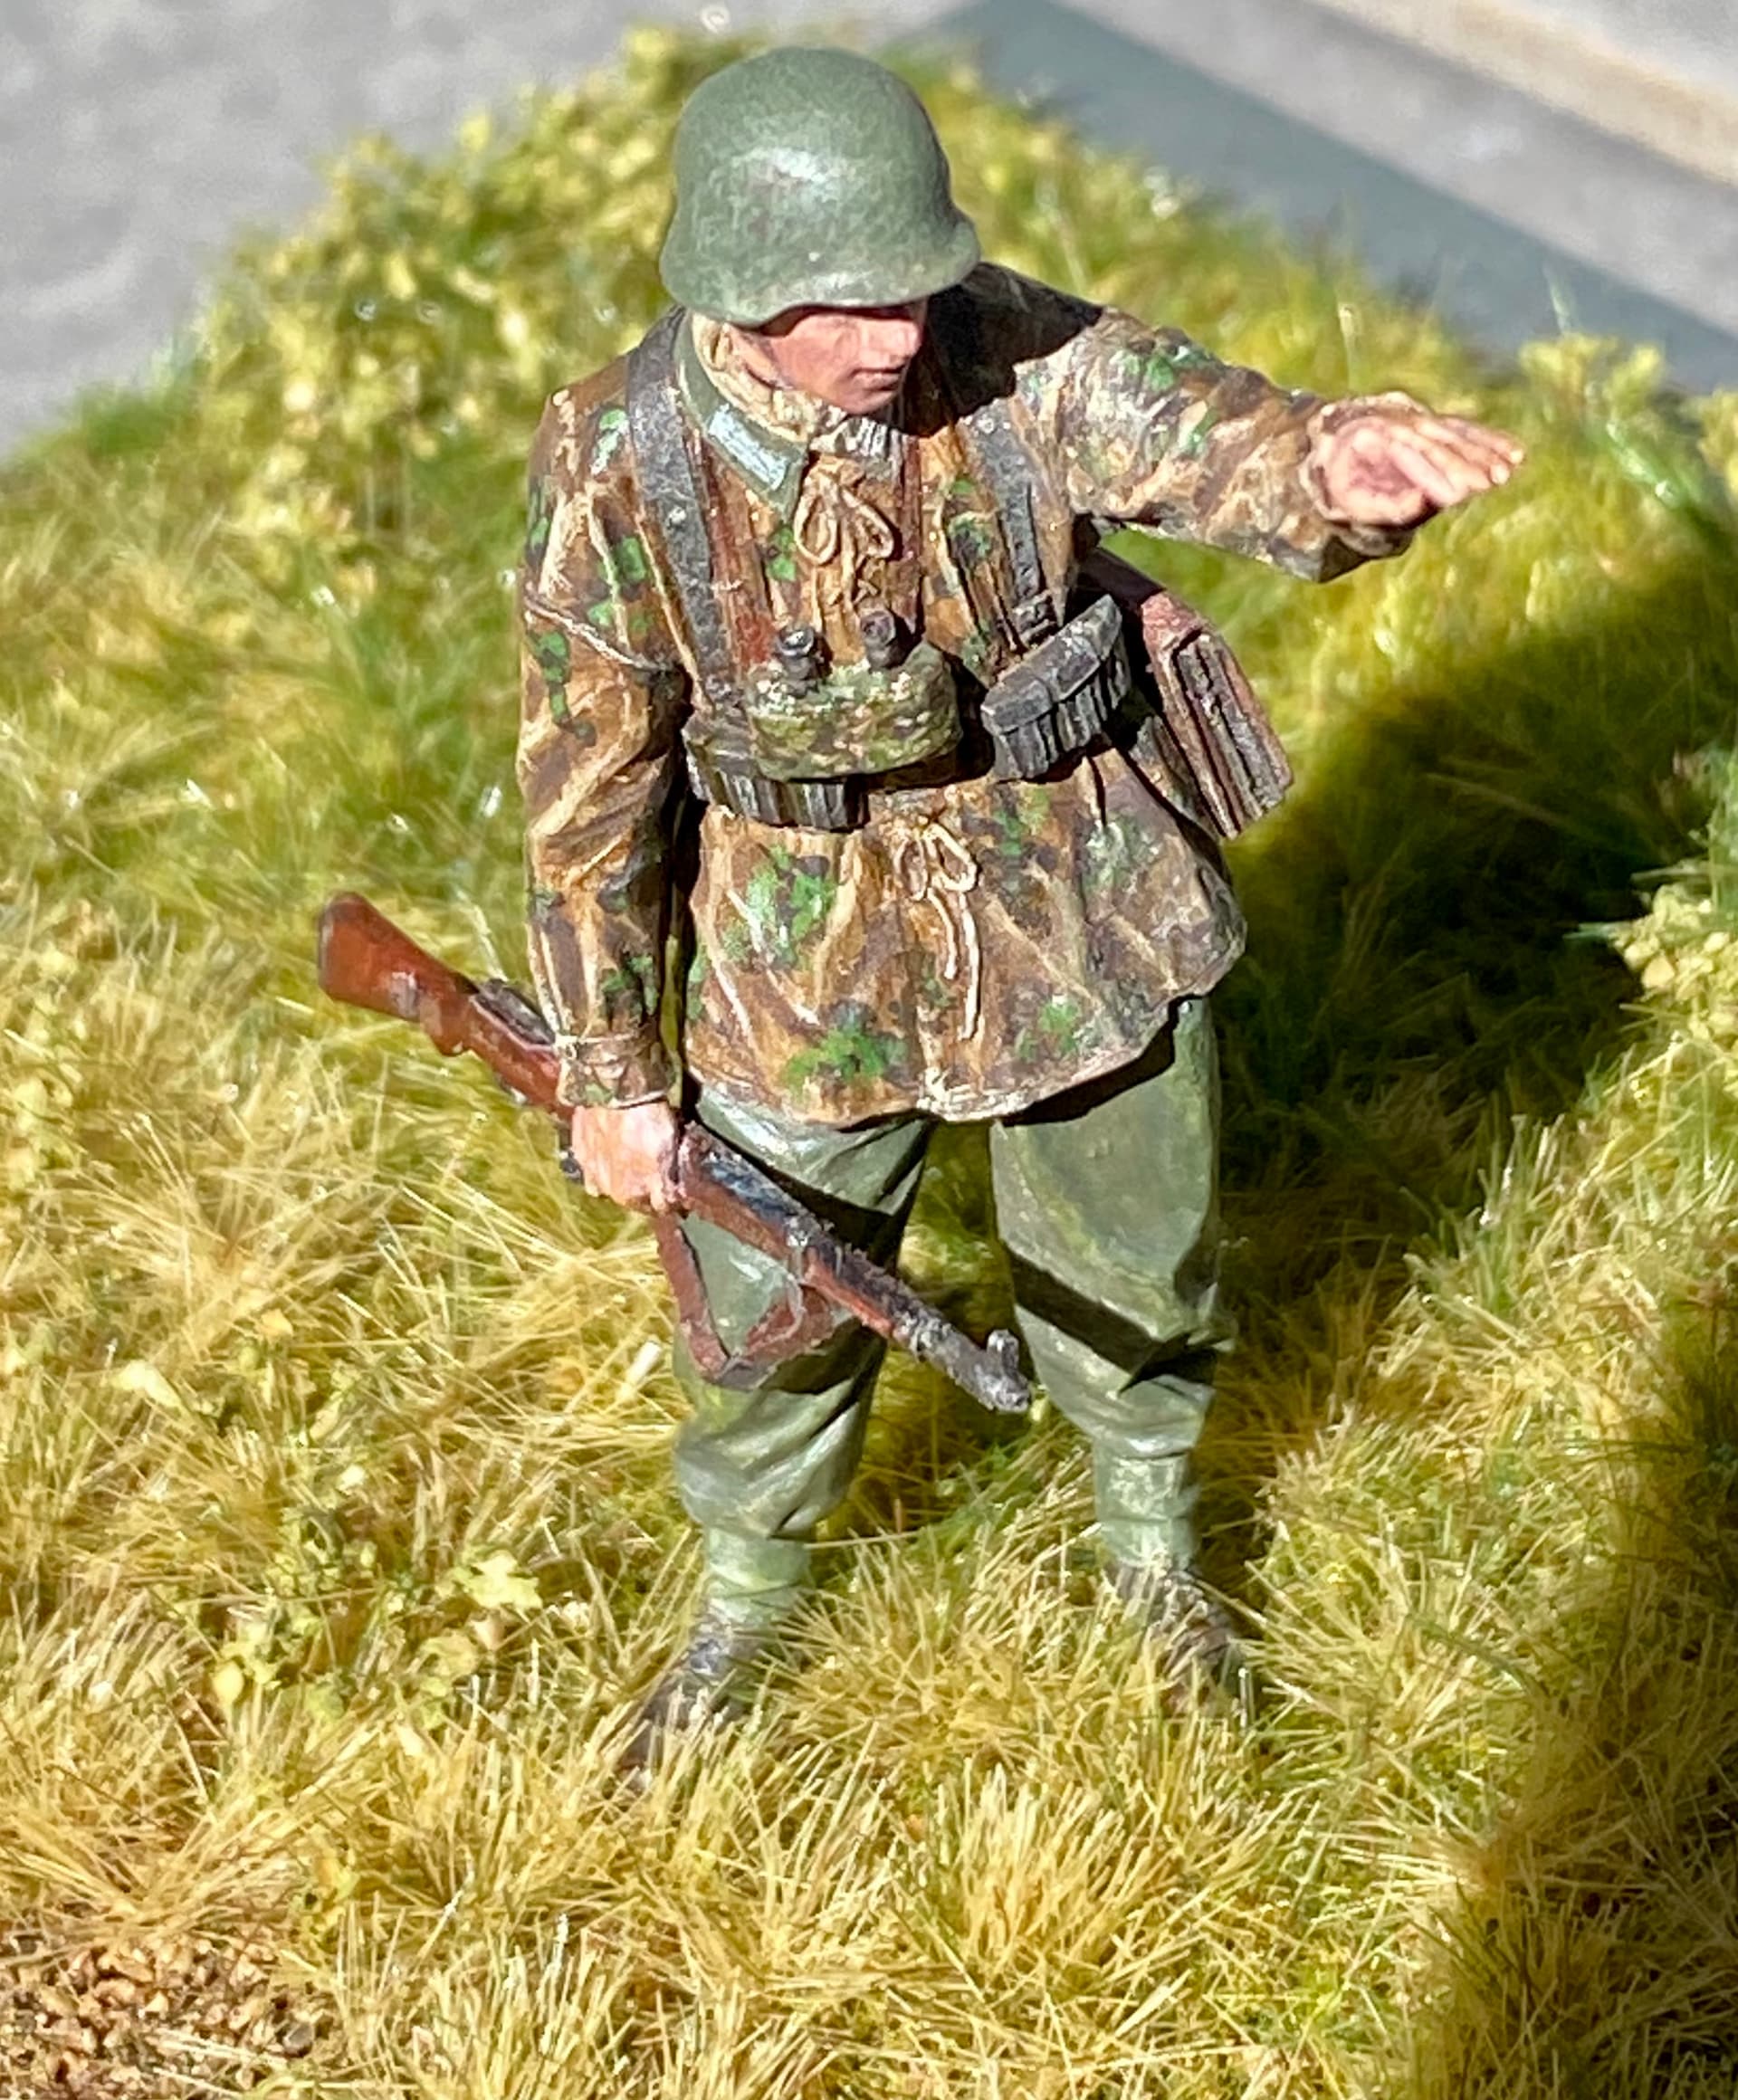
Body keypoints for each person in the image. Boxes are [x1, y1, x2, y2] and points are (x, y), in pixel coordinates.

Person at [515, 44, 1520, 1768]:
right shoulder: (620, 458)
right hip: (793, 958)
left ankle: (1152, 1548)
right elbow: (588, 784)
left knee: (1136, 1258)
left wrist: (1330, 462)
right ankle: (750, 1598)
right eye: (848, 303)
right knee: (765, 1314)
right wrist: (614, 1066)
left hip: (1071, 902)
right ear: (740, 294)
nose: (897, 333)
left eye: (913, 284)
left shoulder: (1001, 350)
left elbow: (1192, 425)